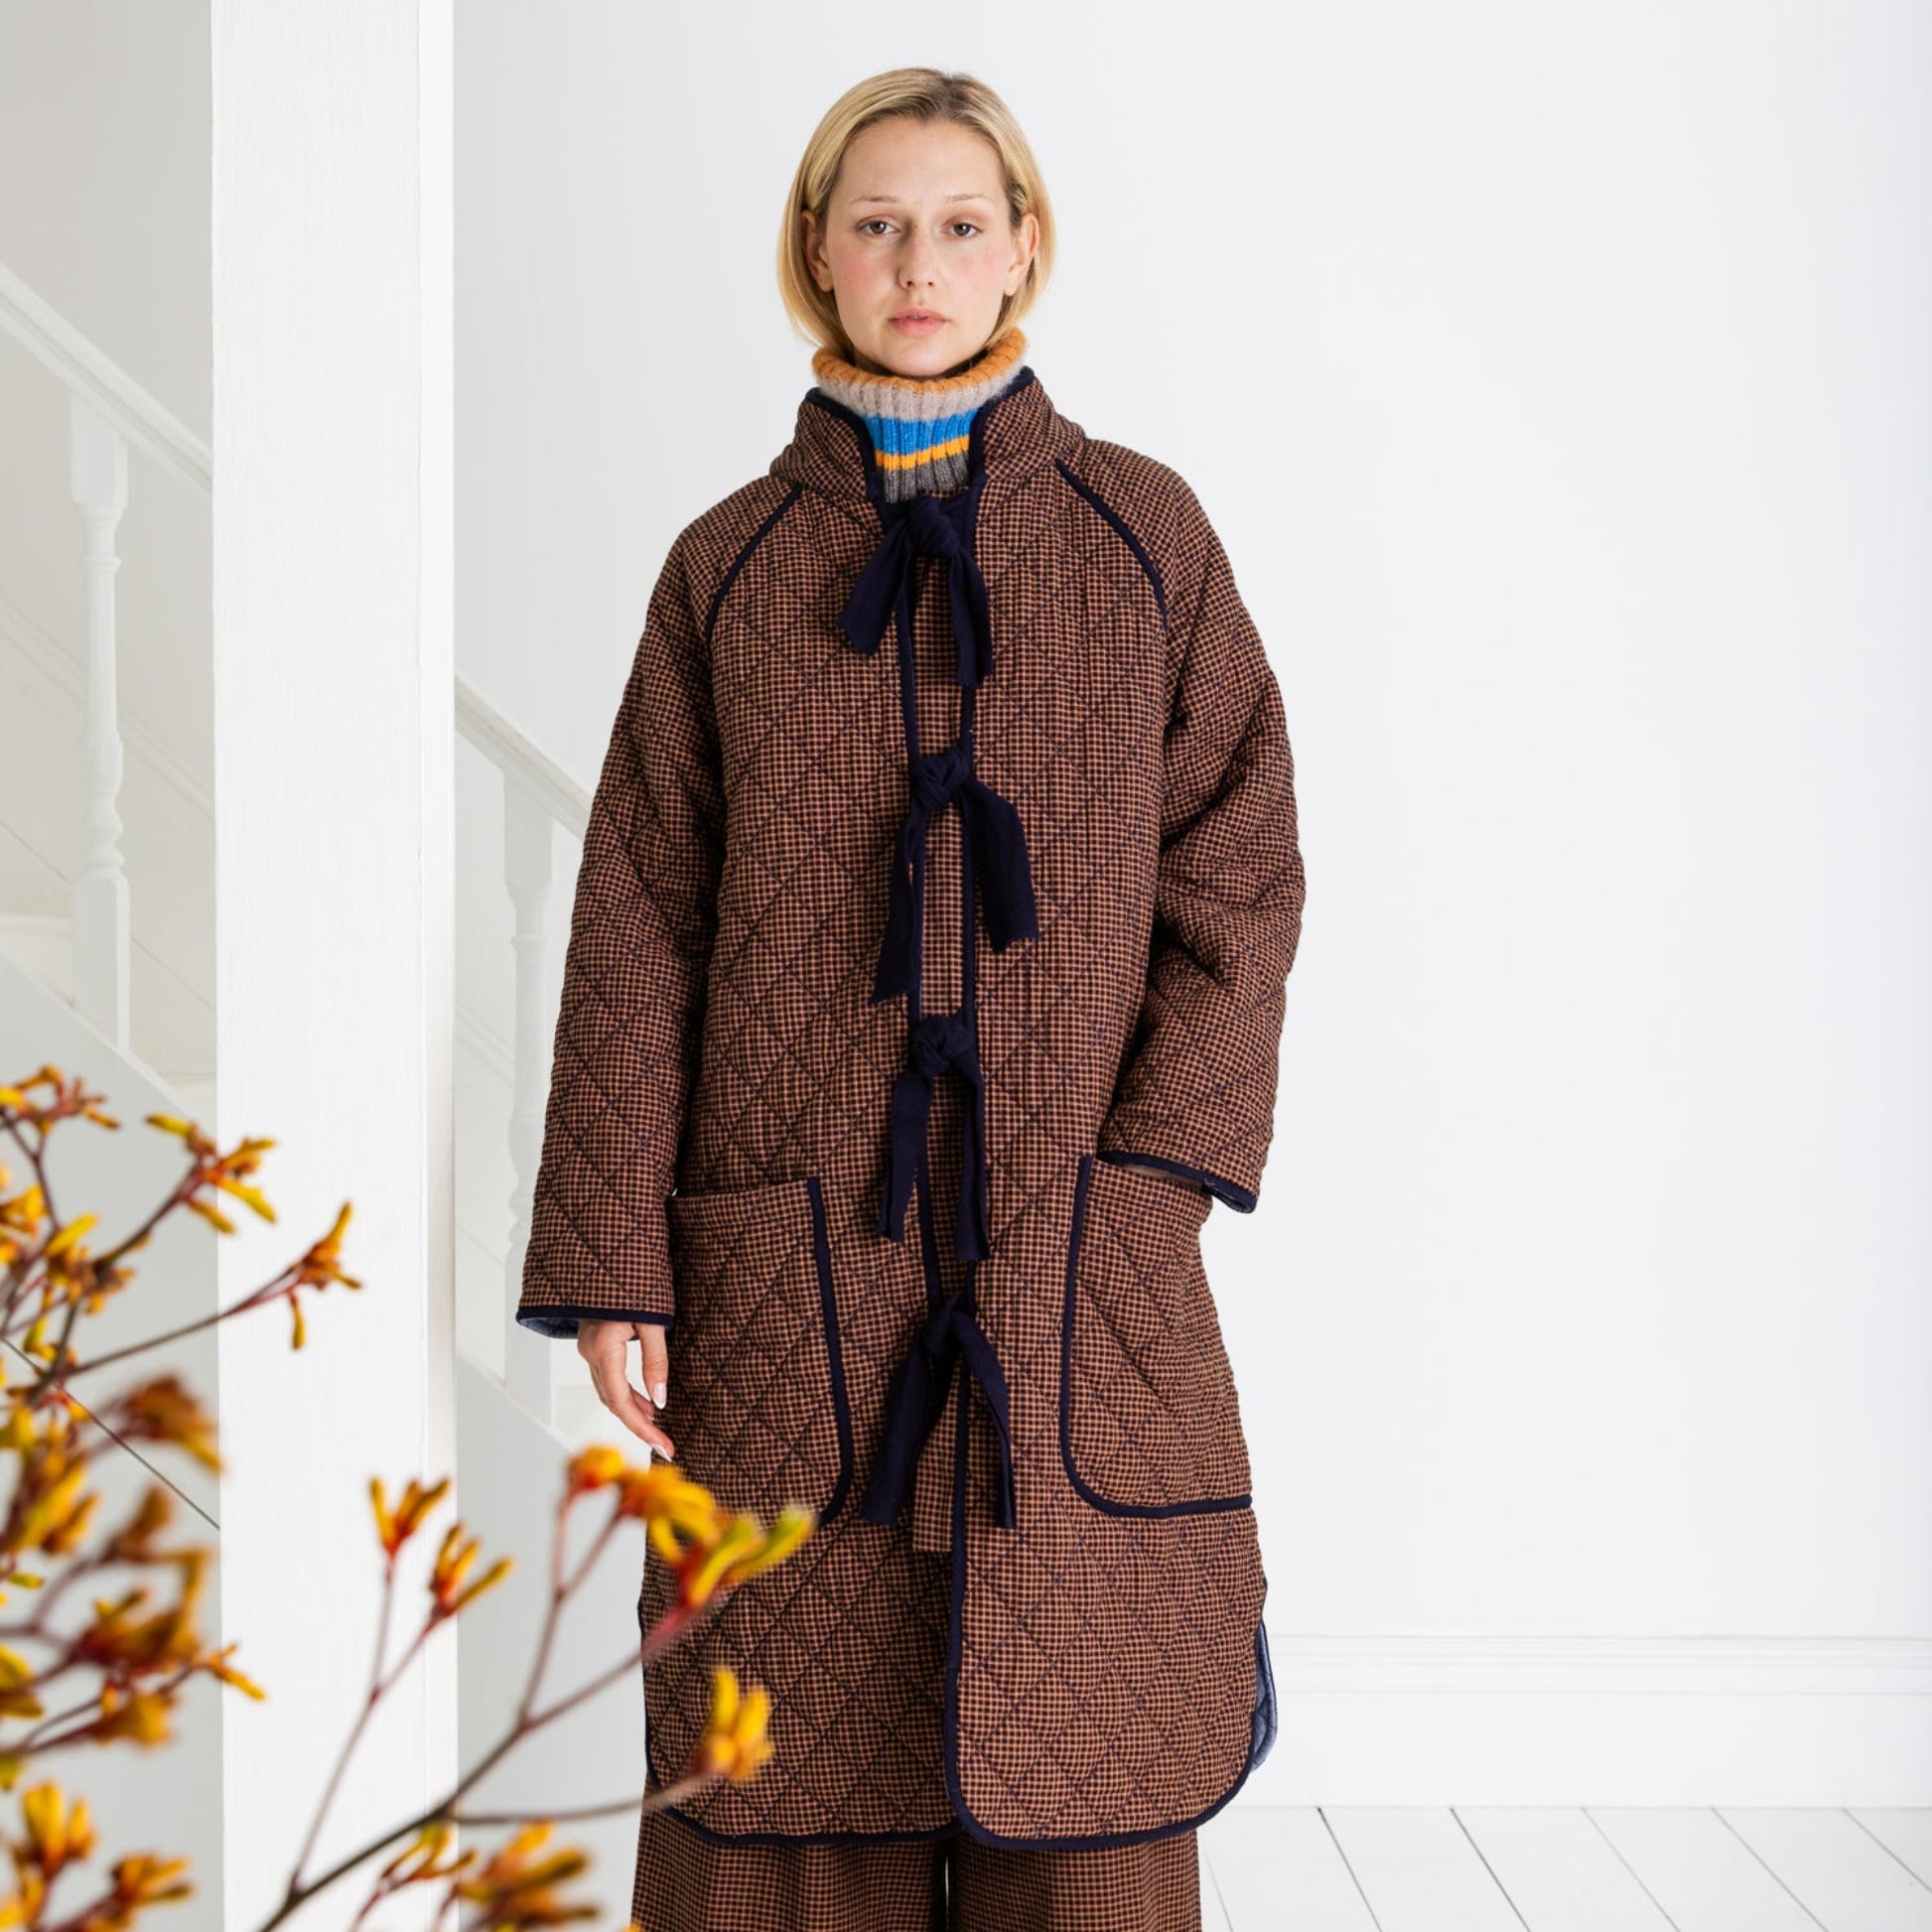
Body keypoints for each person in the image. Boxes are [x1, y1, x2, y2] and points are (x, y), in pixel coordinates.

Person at [515, 65, 1307, 1932]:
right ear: (816, 253)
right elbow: (637, 921)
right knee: (783, 1776)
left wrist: (1151, 1187)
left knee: (1086, 1769)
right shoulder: (727, 569)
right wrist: (620, 1258)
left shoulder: (1143, 539)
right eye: (875, 221)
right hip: (788, 1259)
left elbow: (1240, 879)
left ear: (1025, 244)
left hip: (1073, 1260)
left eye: (962, 221)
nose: (919, 258)